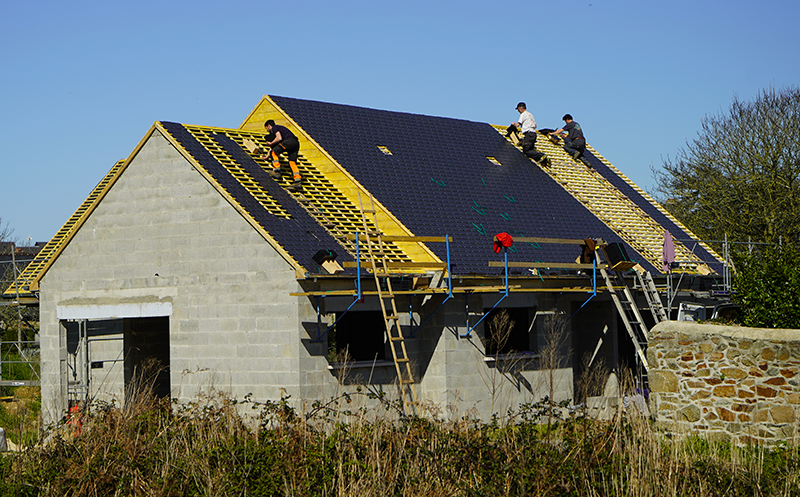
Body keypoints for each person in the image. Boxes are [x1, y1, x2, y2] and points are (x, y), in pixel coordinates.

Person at [262, 120, 302, 188]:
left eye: (266, 128)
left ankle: (277, 171)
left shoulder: (275, 128)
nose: (267, 131)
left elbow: (279, 138)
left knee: (274, 152)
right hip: (295, 143)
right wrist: (267, 156)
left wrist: (271, 143)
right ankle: (297, 181)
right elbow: (273, 147)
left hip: (289, 141)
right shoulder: (282, 130)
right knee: (292, 162)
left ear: (269, 126)